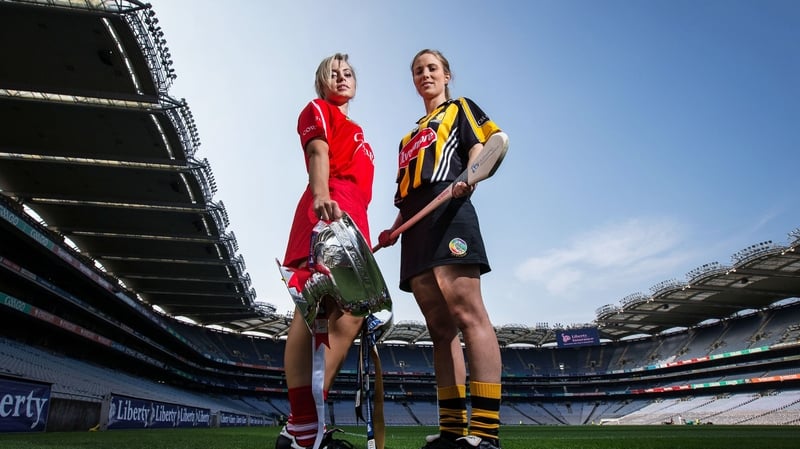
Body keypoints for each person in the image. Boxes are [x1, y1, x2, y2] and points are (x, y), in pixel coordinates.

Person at [379, 49, 503, 449]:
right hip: (415, 227)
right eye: (418, 70)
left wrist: (470, 179)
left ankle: (484, 434)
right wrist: (394, 229)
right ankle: (452, 430)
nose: (425, 74)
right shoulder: (407, 138)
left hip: (450, 209)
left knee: (469, 313)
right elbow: (405, 195)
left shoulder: (460, 108)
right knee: (439, 330)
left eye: (432, 68)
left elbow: (483, 146)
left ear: (447, 74)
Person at [276, 52, 374, 449]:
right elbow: (318, 154)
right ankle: (302, 427)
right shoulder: (318, 109)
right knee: (313, 311)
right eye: (334, 73)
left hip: (354, 222)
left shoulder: (359, 129)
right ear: (322, 82)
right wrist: (320, 196)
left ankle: (303, 425)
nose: (342, 78)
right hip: (326, 211)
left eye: (348, 73)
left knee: (348, 316)